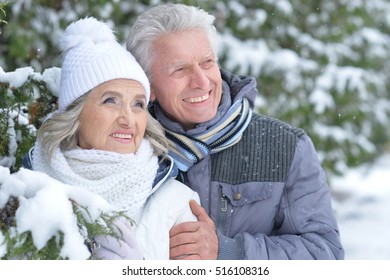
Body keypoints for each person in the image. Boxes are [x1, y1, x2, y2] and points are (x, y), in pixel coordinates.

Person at [126, 3, 344, 260]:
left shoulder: (285, 147)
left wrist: (229, 252)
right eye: (180, 70)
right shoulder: (130, 147)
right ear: (148, 85)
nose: (202, 82)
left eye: (207, 63)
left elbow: (325, 254)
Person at [23, 16, 200, 260]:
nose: (128, 118)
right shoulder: (26, 190)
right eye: (110, 100)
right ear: (75, 113)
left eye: (138, 104)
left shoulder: (177, 203)